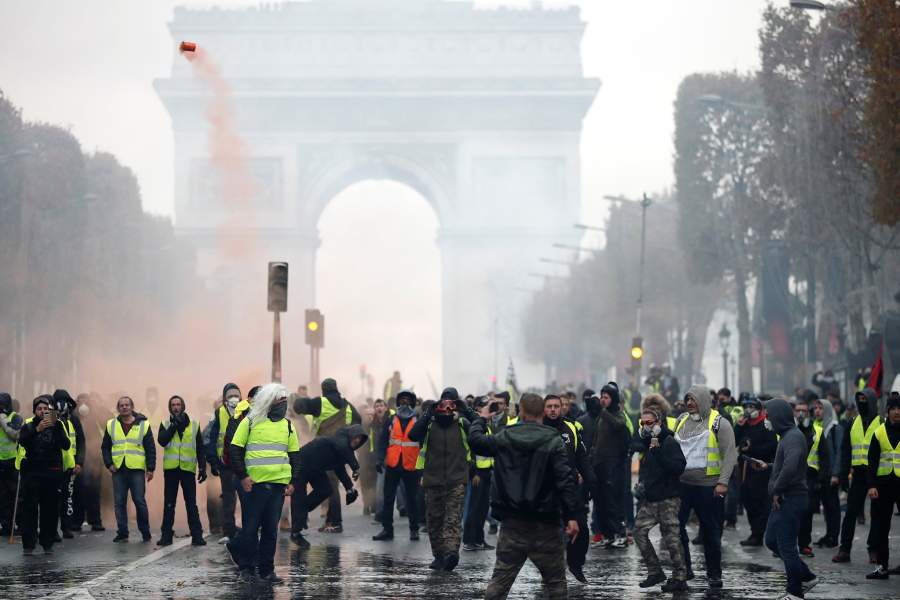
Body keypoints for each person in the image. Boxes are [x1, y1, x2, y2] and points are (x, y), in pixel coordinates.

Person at [469, 392, 579, 600]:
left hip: (513, 522)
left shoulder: (505, 436)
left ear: (521, 411)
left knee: (499, 582)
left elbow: (475, 441)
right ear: (542, 412)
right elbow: (564, 480)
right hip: (546, 523)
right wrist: (571, 516)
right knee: (555, 584)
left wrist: (482, 418)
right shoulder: (553, 440)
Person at [228, 384, 301, 583]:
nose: (284, 405)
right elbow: (234, 450)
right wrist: (243, 477)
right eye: (280, 401)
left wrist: (293, 481)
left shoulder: (287, 426)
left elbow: (295, 455)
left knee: (270, 530)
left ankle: (267, 570)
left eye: (285, 401)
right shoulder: (250, 422)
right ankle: (246, 568)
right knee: (251, 529)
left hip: (278, 487)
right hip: (255, 486)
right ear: (269, 402)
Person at [672, 386, 737, 589]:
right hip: (683, 486)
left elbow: (730, 455)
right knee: (675, 528)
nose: (690, 403)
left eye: (693, 399)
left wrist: (723, 482)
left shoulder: (720, 423)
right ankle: (685, 570)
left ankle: (714, 574)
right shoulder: (681, 421)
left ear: (703, 400)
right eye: (687, 399)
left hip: (709, 488)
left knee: (711, 532)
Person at [409, 387, 473, 571]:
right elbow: (413, 435)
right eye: (444, 403)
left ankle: (451, 553)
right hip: (433, 480)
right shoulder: (429, 423)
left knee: (452, 520)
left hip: (456, 480)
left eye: (451, 404)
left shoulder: (462, 423)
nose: (447, 408)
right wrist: (429, 412)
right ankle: (438, 556)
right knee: (434, 521)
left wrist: (465, 409)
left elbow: (481, 428)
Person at [764, 398, 818, 599]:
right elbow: (783, 465)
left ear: (778, 416)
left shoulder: (793, 437)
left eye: (768, 416)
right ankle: (807, 575)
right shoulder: (786, 436)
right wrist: (768, 466)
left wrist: (777, 490)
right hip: (784, 497)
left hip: (791, 497)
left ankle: (795, 591)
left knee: (787, 546)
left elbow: (791, 467)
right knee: (771, 541)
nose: (766, 420)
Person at [292, 378, 361, 533]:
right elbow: (359, 422)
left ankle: (334, 521)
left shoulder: (321, 402)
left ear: (324, 390)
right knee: (332, 486)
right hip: (340, 453)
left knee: (330, 487)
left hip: (322, 452)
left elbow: (299, 406)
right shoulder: (348, 406)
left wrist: (298, 400)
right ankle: (329, 520)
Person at [632, 404, 688, 592]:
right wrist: (642, 487)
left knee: (672, 538)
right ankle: (655, 571)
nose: (646, 426)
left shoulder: (669, 441)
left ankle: (680, 577)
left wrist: (659, 453)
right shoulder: (648, 443)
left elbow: (678, 467)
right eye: (643, 423)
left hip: (668, 499)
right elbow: (649, 471)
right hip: (651, 498)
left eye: (650, 422)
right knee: (638, 531)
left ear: (659, 422)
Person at [543, 394, 592, 582]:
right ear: (544, 409)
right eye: (550, 406)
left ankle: (576, 564)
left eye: (557, 406)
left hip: (569, 488)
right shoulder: (539, 427)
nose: (554, 409)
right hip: (546, 490)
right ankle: (548, 572)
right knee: (549, 532)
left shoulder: (571, 427)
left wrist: (590, 482)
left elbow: (582, 458)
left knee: (581, 528)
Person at [289, 424, 365, 547]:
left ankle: (301, 512)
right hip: (301, 464)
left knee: (325, 489)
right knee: (298, 498)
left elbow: (339, 469)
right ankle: (296, 534)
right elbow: (343, 448)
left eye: (360, 439)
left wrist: (349, 488)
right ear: (349, 435)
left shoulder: (344, 451)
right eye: (355, 437)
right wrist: (355, 467)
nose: (357, 441)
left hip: (316, 469)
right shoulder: (340, 439)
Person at [16, 395, 70, 554]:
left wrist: (57, 426)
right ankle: (29, 544)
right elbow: (22, 441)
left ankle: (47, 543)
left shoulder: (58, 424)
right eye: (39, 409)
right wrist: (36, 430)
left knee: (50, 510)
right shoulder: (29, 425)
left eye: (46, 409)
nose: (43, 411)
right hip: (32, 473)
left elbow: (66, 445)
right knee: (29, 510)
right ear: (35, 411)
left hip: (52, 473)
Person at [833, 387, 881, 563]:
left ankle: (874, 549)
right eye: (859, 400)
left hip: (877, 475)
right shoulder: (852, 423)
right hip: (859, 474)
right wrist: (843, 475)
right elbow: (845, 451)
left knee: (877, 514)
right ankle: (844, 549)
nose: (861, 404)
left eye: (864, 400)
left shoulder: (881, 423)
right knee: (851, 513)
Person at [101, 396, 156, 543]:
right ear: (118, 408)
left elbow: (150, 447)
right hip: (118, 469)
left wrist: (150, 468)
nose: (124, 407)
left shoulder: (143, 424)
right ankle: (122, 532)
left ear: (132, 407)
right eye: (121, 405)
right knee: (119, 502)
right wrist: (108, 463)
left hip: (136, 469)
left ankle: (145, 531)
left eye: (127, 405)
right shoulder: (111, 424)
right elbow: (105, 446)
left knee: (139, 501)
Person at [157, 395, 207, 546]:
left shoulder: (194, 424)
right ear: (170, 408)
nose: (176, 407)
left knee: (191, 503)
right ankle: (166, 536)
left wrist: (202, 467)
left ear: (183, 406)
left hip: (187, 469)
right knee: (169, 503)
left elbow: (200, 448)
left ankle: (197, 536)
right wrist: (173, 426)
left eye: (178, 404)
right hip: (171, 469)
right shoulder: (165, 423)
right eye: (173, 405)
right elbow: (162, 440)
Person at [374, 390, 421, 541]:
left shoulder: (418, 421)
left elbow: (425, 444)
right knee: (388, 498)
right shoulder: (391, 420)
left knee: (412, 499)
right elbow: (382, 441)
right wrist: (379, 459)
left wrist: (424, 466)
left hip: (411, 466)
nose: (404, 403)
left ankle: (414, 530)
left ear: (412, 403)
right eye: (402, 400)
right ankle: (387, 529)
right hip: (393, 465)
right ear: (398, 403)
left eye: (407, 400)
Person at [734, 394, 778, 547]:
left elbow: (772, 445)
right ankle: (754, 531)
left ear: (759, 410)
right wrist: (739, 425)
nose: (748, 410)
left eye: (751, 407)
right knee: (747, 500)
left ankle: (758, 534)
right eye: (746, 407)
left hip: (761, 468)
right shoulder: (746, 424)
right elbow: (735, 439)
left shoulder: (765, 425)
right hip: (745, 468)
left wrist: (752, 449)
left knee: (759, 501)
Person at [865, 392, 900, 579]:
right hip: (883, 485)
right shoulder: (879, 432)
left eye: (899, 408)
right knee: (881, 527)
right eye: (893, 408)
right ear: (887, 411)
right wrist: (871, 485)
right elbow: (872, 461)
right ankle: (882, 567)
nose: (897, 412)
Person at [589, 382, 629, 548]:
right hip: (599, 463)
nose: (603, 400)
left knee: (612, 502)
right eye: (602, 397)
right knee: (601, 502)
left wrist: (602, 411)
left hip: (612, 465)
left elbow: (618, 425)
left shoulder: (617, 415)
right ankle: (607, 534)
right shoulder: (601, 416)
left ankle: (620, 534)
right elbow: (596, 439)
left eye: (606, 397)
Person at [207, 383, 243, 544]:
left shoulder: (247, 412)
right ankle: (229, 531)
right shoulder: (218, 413)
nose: (233, 398)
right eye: (230, 395)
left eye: (236, 395)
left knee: (247, 498)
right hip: (226, 464)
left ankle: (249, 530)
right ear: (224, 398)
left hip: (243, 464)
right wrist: (214, 462)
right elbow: (211, 438)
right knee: (228, 499)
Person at [807, 398, 841, 551]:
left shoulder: (834, 428)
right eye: (816, 408)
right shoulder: (814, 427)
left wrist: (836, 473)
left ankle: (833, 536)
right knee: (823, 507)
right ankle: (828, 535)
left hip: (830, 475)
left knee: (832, 506)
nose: (817, 411)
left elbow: (839, 452)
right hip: (818, 474)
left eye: (821, 408)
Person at [463, 397, 495, 551]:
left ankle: (479, 539)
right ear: (477, 410)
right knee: (473, 508)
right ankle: (469, 540)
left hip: (487, 472)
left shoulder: (486, 426)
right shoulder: (474, 426)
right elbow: (470, 451)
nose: (489, 408)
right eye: (485, 406)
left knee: (482, 509)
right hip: (477, 474)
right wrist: (473, 472)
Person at [52, 389, 84, 540]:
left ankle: (66, 527)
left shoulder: (74, 419)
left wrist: (79, 462)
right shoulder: (50, 418)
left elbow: (81, 441)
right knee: (53, 500)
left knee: (68, 498)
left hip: (70, 466)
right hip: (53, 466)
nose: (61, 404)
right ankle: (52, 530)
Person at [70, 393, 105, 532]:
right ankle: (76, 521)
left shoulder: (96, 416)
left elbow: (107, 424)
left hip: (95, 459)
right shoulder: (73, 418)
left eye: (86, 401)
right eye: (80, 401)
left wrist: (97, 408)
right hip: (78, 459)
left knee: (94, 491)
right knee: (77, 492)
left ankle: (95, 520)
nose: (83, 404)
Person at [0, 392, 24, 536]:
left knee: (16, 495)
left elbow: (15, 434)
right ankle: (6, 525)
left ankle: (20, 524)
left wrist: (3, 421)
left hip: (13, 462)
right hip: (0, 462)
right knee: (2, 496)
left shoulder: (15, 417)